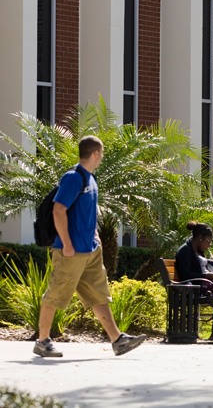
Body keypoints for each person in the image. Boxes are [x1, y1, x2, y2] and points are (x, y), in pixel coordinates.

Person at [34, 136, 146, 358]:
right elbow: (58, 210)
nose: (102, 158)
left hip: (90, 250)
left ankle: (117, 340)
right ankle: (42, 341)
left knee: (98, 296)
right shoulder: (73, 177)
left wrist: (95, 235)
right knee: (55, 294)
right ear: (95, 153)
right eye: (102, 154)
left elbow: (86, 211)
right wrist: (66, 243)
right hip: (71, 251)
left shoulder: (91, 179)